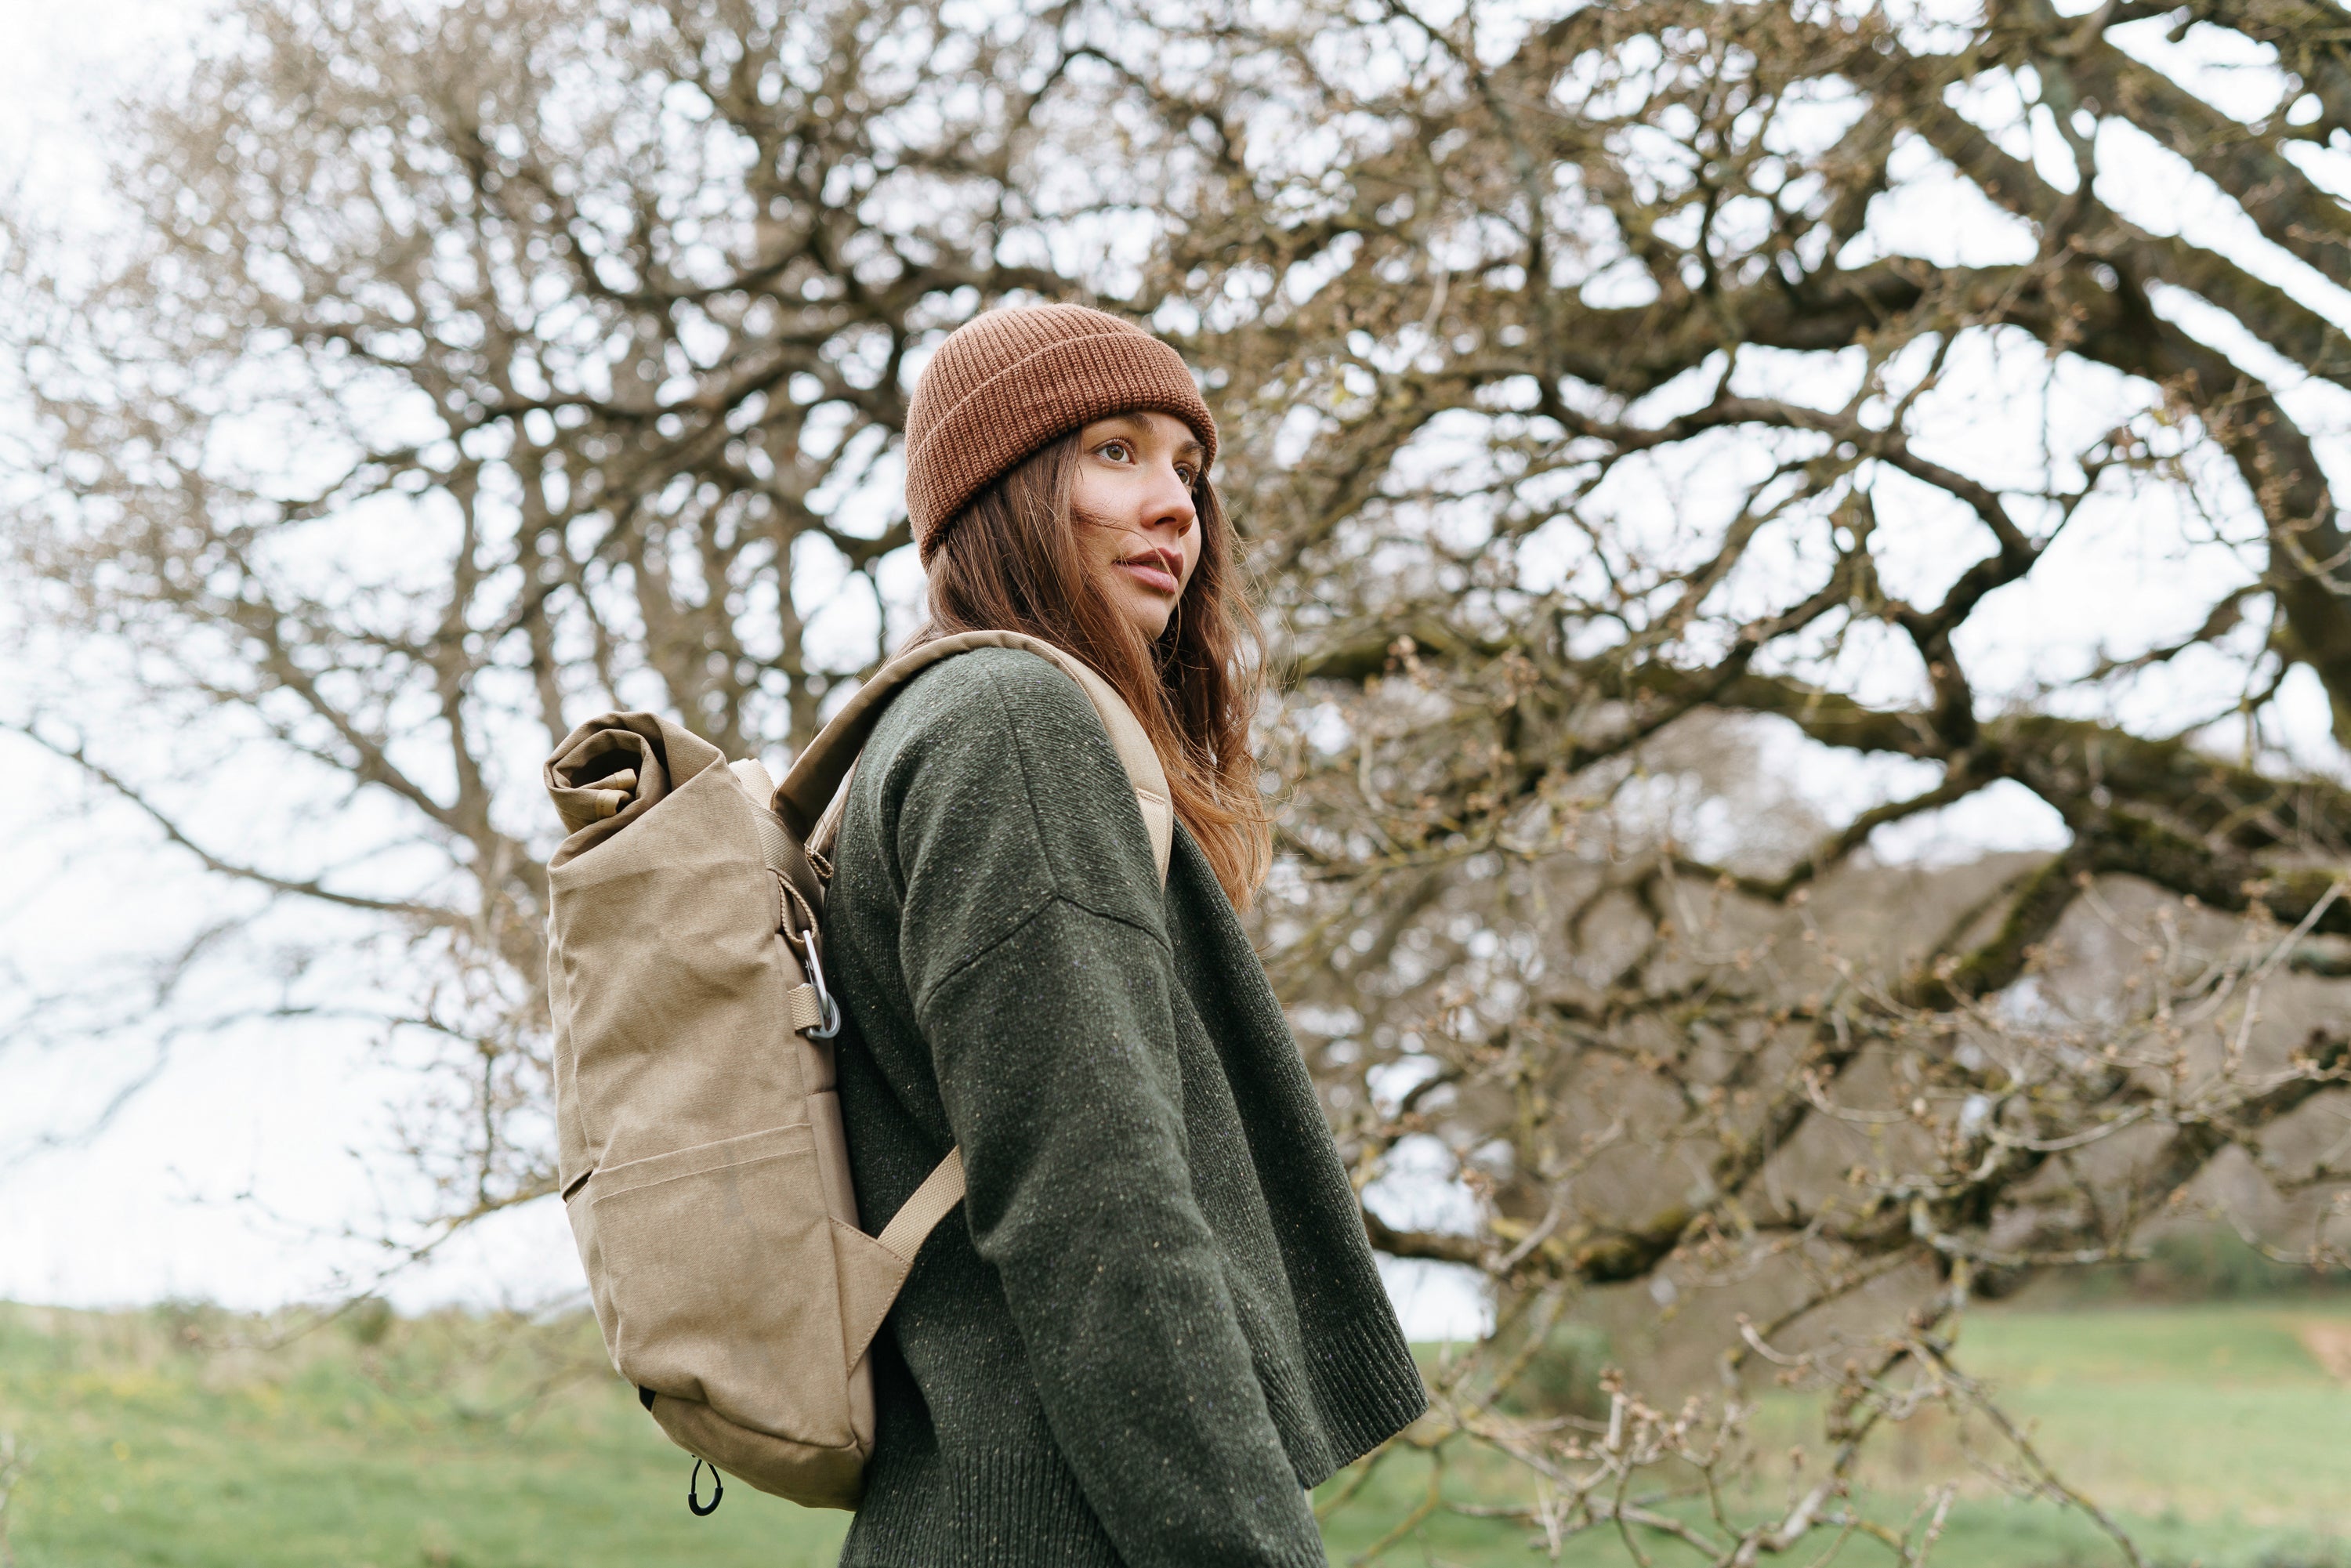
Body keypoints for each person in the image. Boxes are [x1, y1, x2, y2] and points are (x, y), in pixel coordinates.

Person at [824, 304, 1427, 1567]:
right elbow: (1099, 1213)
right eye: (1114, 450)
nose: (1174, 506)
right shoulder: (1012, 731)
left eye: (1187, 468)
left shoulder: (948, 730)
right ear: (1003, 491)